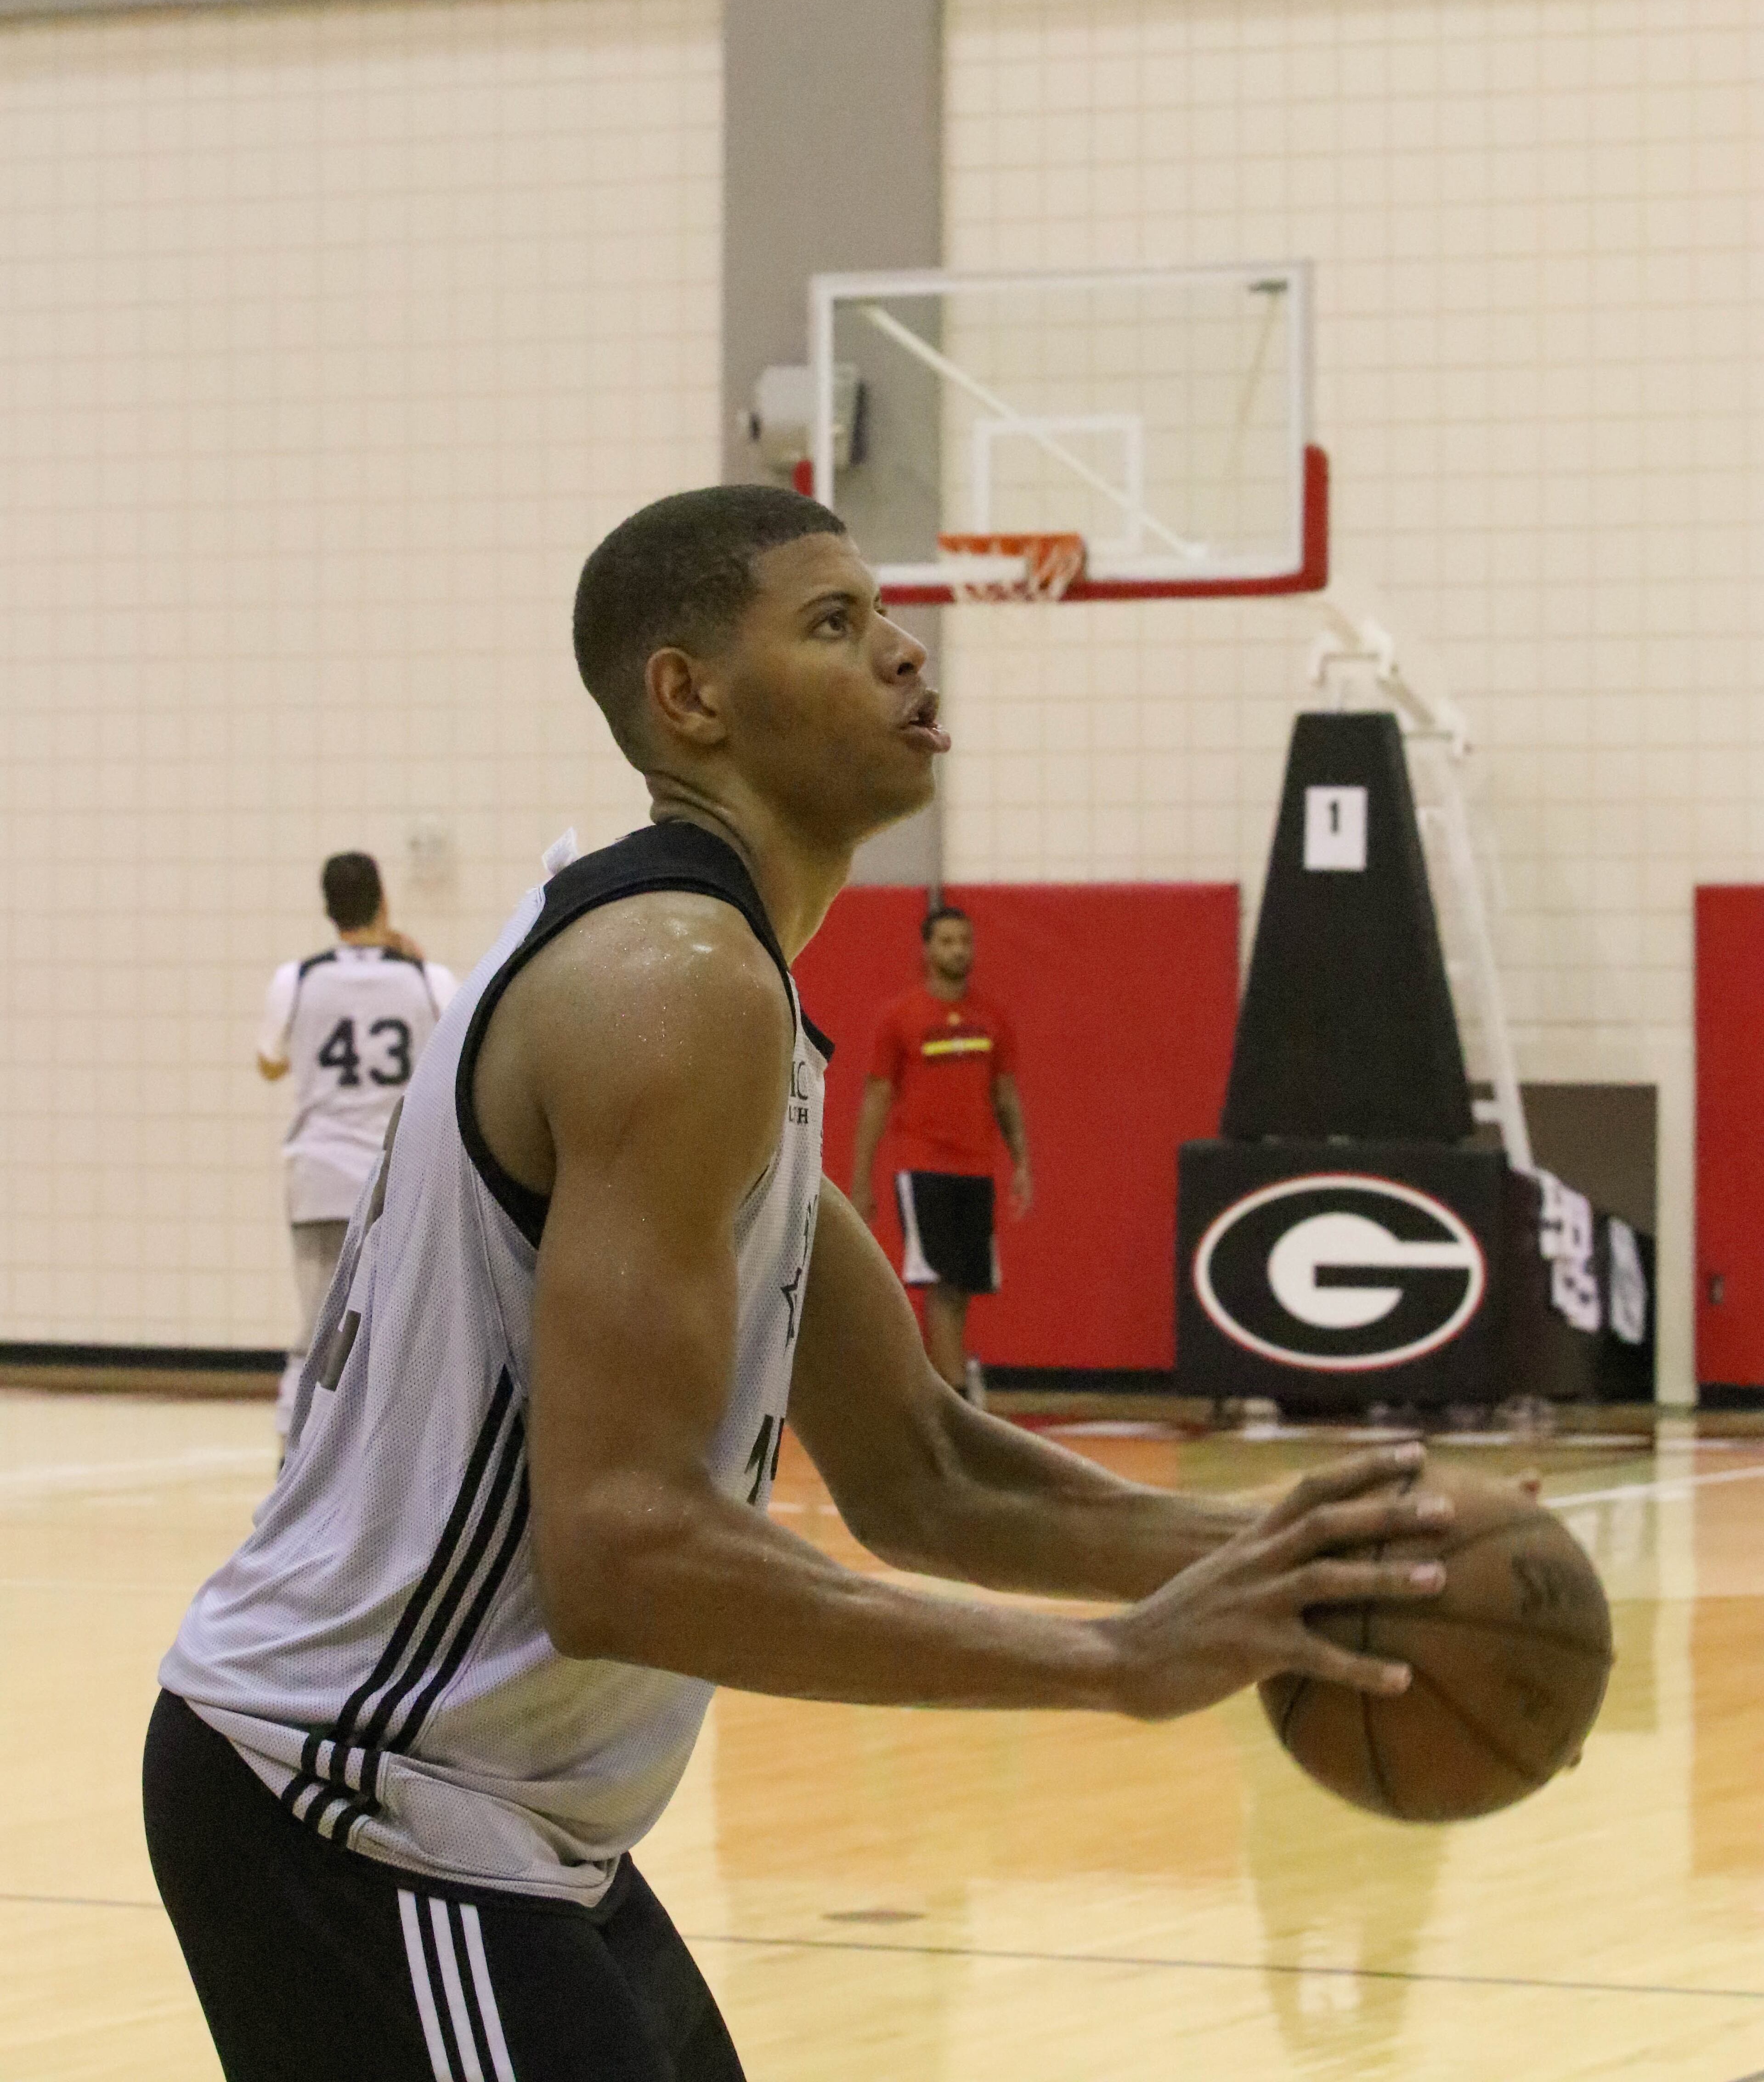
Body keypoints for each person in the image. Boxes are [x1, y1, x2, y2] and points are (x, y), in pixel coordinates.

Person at [147, 484, 1453, 2082]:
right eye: (835, 625)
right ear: (687, 699)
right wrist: (1115, 1665)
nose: (905, 653)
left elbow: (924, 1464)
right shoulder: (674, 985)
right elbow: (624, 1555)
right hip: (357, 1802)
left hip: (498, 1817)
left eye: (886, 615)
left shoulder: (729, 985)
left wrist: (1287, 1561)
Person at [257, 852, 456, 1444]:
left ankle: (294, 1461)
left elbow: (270, 1062)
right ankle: (396, 1459)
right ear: (384, 902)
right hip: (400, 1178)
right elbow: (465, 1045)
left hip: (318, 1174)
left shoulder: (297, 979)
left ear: (327, 909)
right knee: (405, 1326)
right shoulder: (428, 979)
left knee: (316, 1328)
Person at [850, 903, 1031, 1404]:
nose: (959, 950)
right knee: (940, 1280)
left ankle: (946, 1382)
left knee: (964, 1283)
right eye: (948, 941)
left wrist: (1022, 1163)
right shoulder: (900, 1018)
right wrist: (861, 1179)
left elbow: (1006, 1096)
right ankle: (953, 1394)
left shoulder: (991, 1018)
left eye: (965, 941)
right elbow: (877, 1097)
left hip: (977, 1167)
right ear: (927, 950)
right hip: (924, 1165)